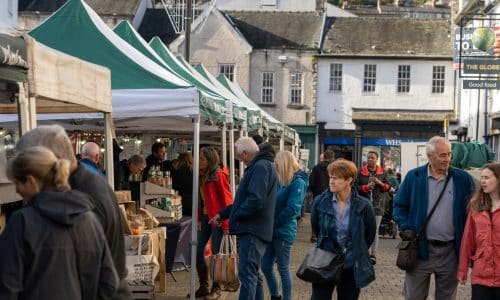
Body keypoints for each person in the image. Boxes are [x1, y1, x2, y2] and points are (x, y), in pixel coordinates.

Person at [15, 125, 131, 299]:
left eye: (31, 164)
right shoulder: (86, 184)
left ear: (51, 159)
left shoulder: (79, 196)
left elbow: (84, 270)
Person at [393, 136, 475, 300]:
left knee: (447, 297)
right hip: (420, 250)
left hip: (451, 252)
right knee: (413, 296)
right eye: (442, 155)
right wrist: (407, 228)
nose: (447, 159)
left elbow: (474, 212)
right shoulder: (414, 177)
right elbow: (399, 207)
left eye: (449, 154)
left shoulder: (462, 179)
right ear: (430, 156)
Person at [209, 137, 278, 300]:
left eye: (240, 156)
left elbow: (255, 199)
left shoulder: (260, 167)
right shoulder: (264, 165)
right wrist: (224, 214)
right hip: (256, 228)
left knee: (247, 275)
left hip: (252, 229)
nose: (241, 160)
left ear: (246, 153)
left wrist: (237, 214)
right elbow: (246, 200)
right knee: (254, 275)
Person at [310, 159, 376, 300]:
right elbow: (317, 228)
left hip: (351, 264)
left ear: (349, 180)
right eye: (330, 177)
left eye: (336, 178)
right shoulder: (320, 202)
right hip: (325, 261)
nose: (331, 181)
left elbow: (369, 235)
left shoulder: (364, 206)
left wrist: (355, 248)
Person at [262, 151, 308, 300]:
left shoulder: (297, 182)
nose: (275, 166)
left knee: (283, 268)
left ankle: (286, 298)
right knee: (266, 266)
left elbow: (293, 208)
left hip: (283, 231)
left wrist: (274, 222)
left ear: (284, 164)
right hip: (271, 230)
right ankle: (275, 295)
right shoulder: (280, 180)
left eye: (277, 163)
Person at [191, 147, 233, 298]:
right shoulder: (200, 175)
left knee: (216, 253)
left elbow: (227, 201)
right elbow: (200, 200)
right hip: (205, 218)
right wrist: (198, 218)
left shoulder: (219, 175)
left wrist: (226, 224)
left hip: (218, 220)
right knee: (198, 250)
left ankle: (216, 287)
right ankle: (203, 285)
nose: (199, 161)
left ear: (210, 160)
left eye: (202, 159)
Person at [457, 163, 500, 299]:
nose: (482, 181)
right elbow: (468, 239)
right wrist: (462, 269)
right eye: (481, 177)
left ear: (498, 180)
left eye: (487, 177)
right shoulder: (476, 205)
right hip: (481, 275)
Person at [355, 151, 390, 264]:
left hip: (377, 205)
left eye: (373, 158)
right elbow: (354, 188)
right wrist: (366, 187)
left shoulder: (383, 173)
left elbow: (388, 187)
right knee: (364, 229)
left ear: (377, 159)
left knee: (374, 231)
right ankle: (365, 252)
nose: (370, 159)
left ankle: (373, 255)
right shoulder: (360, 172)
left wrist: (380, 183)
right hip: (363, 205)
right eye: (369, 157)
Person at [308, 149, 334, 243]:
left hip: (317, 194)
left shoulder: (316, 167)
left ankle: (314, 233)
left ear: (324, 157)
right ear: (332, 158)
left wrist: (314, 191)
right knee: (327, 215)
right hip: (330, 195)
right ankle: (324, 235)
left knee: (316, 214)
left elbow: (311, 182)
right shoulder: (333, 168)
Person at [171, 152, 193, 216]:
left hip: (181, 201)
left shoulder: (177, 173)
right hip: (193, 202)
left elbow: (173, 188)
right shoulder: (194, 172)